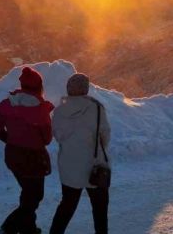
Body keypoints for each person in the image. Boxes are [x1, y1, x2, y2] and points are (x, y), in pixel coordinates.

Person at [0, 66, 55, 234]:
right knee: (34, 197)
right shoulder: (41, 110)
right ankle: (8, 228)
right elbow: (47, 139)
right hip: (34, 159)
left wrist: (10, 140)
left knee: (28, 193)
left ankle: (29, 229)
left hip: (13, 156)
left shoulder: (6, 104)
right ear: (39, 87)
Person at [50, 73, 111, 234]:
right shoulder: (97, 108)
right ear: (86, 89)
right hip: (94, 165)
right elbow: (105, 136)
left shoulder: (59, 111)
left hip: (69, 165)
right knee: (100, 209)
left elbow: (58, 136)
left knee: (67, 206)